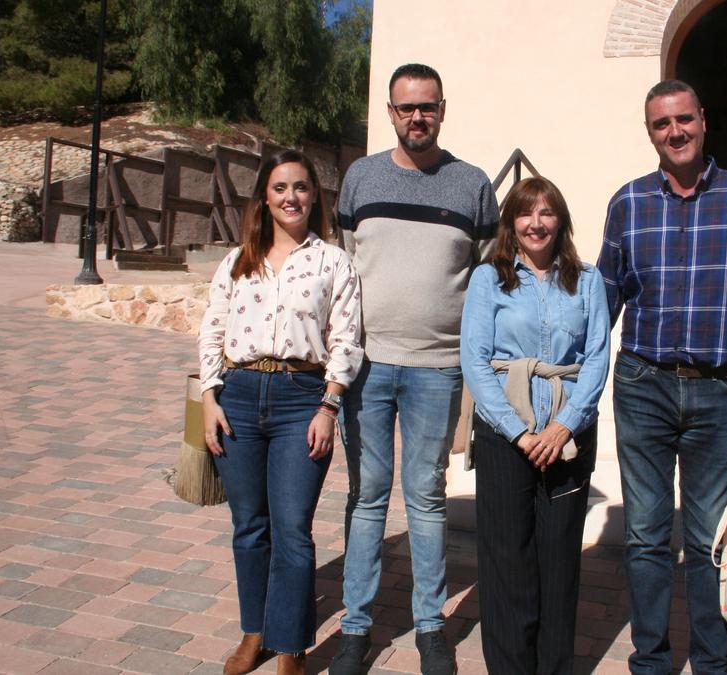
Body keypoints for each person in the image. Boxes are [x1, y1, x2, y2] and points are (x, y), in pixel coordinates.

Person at [597, 79, 727, 674]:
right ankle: (649, 660)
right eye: (660, 124)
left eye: (683, 120)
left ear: (703, 119)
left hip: (719, 389)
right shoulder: (628, 202)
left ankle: (711, 661)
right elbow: (607, 296)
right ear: (650, 132)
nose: (674, 132)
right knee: (645, 537)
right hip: (643, 384)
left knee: (705, 540)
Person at [332, 62, 499, 675]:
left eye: (426, 106)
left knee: (426, 497)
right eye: (406, 108)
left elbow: (487, 277)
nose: (416, 117)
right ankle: (356, 627)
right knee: (367, 496)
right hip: (368, 367)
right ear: (391, 112)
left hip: (437, 367)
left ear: (443, 109)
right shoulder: (361, 178)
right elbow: (345, 265)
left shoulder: (472, 185)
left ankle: (430, 625)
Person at [198, 149, 364, 675]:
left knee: (293, 529)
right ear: (264, 199)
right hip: (239, 397)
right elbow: (212, 329)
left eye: (300, 187)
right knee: (249, 526)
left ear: (315, 196)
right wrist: (209, 398)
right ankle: (254, 633)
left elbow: (347, 339)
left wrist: (329, 407)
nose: (290, 197)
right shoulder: (238, 260)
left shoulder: (333, 261)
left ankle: (290, 646)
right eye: (279, 188)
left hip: (301, 400)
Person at [460, 177, 610, 674]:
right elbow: (476, 360)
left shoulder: (587, 280)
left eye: (547, 213)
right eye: (526, 213)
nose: (536, 223)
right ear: (512, 223)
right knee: (507, 563)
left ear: (561, 221)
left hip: (567, 438)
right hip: (508, 436)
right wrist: (519, 431)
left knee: (558, 561)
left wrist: (563, 426)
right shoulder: (490, 279)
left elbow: (596, 359)